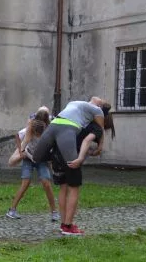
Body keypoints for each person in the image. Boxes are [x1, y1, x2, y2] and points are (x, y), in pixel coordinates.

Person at [32, 97, 109, 236]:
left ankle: (64, 224)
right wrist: (98, 148)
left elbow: (94, 102)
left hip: (55, 125)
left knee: (40, 161)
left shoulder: (74, 104)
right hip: (67, 133)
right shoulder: (97, 113)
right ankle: (67, 226)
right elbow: (100, 130)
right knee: (73, 185)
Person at [6, 119, 59, 221]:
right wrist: (22, 154)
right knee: (25, 183)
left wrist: (52, 167)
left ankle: (54, 212)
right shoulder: (27, 131)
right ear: (33, 131)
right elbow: (17, 136)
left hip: (41, 160)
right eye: (37, 134)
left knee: (46, 183)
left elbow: (51, 150)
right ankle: (12, 210)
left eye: (41, 134)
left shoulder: (47, 132)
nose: (39, 136)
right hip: (28, 159)